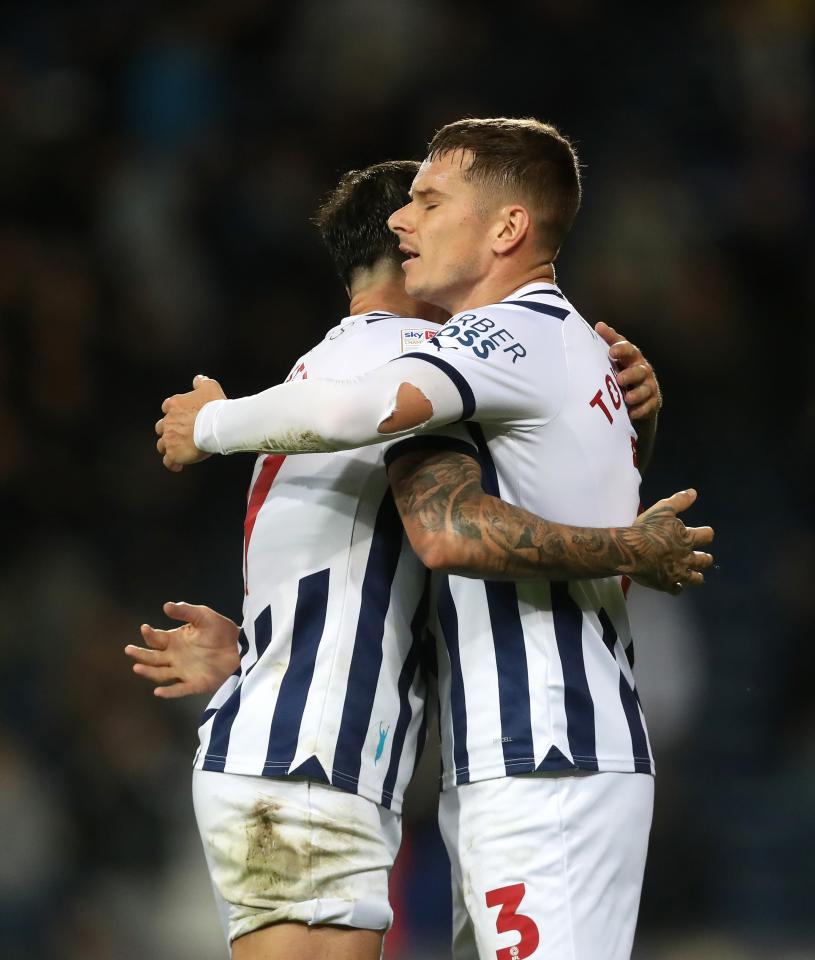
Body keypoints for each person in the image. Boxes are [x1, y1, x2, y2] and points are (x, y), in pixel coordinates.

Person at [155, 118, 715, 958]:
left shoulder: (468, 348)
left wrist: (213, 424)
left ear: (505, 227)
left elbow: (435, 514)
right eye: (406, 204)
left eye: (430, 201)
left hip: (532, 754)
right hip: (415, 760)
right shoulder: (494, 350)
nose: (408, 224)